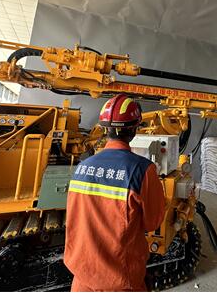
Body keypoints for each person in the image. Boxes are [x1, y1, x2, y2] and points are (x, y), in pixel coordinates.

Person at [64, 94, 166, 291]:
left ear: (104, 129)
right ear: (134, 129)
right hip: (120, 280)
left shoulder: (82, 167)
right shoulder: (143, 170)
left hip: (82, 280)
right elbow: (152, 223)